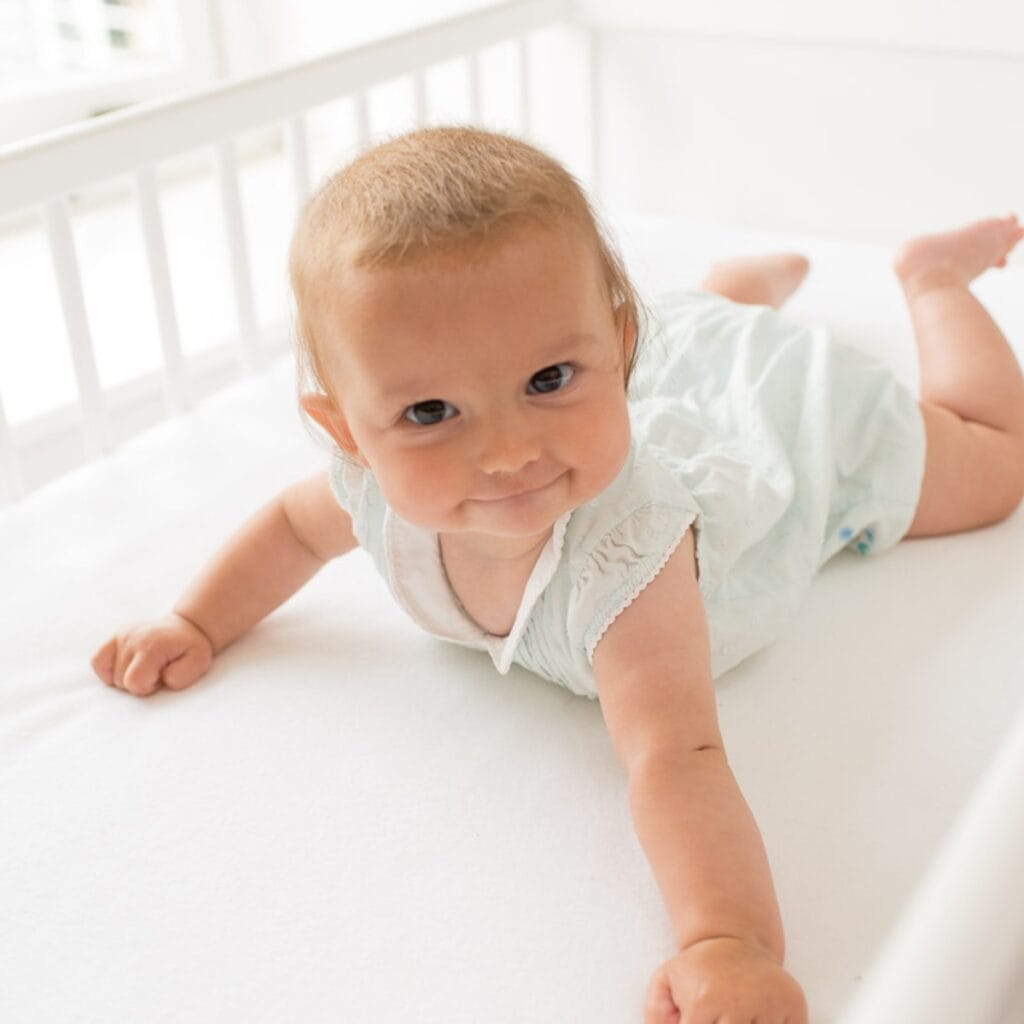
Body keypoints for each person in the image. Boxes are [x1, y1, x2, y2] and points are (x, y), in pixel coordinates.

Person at [90, 126, 1024, 1023]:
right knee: (687, 341)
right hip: (668, 372)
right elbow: (293, 531)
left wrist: (727, 941)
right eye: (429, 412)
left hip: (777, 422)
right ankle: (730, 296)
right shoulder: (372, 492)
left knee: (996, 461)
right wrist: (196, 620)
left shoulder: (631, 561)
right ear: (347, 435)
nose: (507, 454)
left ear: (619, 349)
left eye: (548, 380)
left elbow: (676, 756)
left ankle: (929, 280)